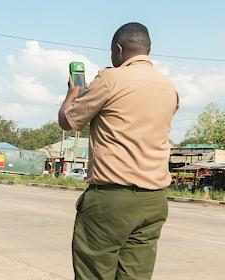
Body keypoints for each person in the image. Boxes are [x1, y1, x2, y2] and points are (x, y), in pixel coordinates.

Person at [58, 22, 179, 279]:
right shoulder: (169, 87)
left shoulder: (110, 79)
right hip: (154, 202)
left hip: (111, 200)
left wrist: (72, 94)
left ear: (118, 49)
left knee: (94, 273)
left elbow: (68, 120)